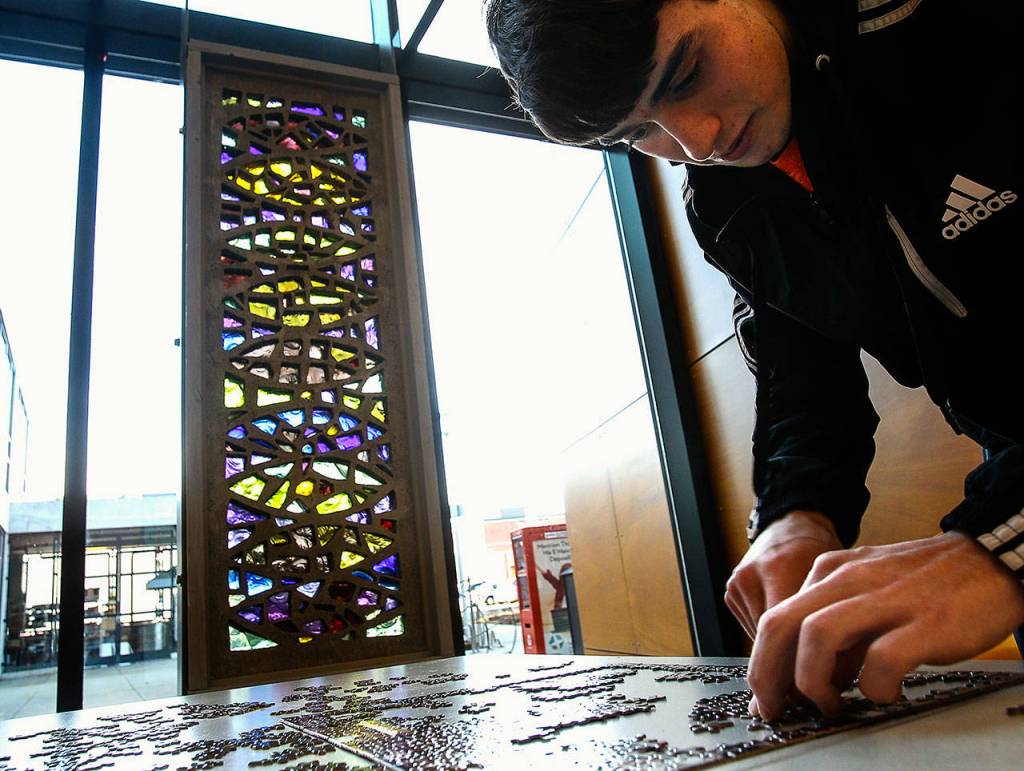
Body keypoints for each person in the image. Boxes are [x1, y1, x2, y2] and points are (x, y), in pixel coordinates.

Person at [485, 0, 1024, 721]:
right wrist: (796, 513)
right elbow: (803, 382)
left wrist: (998, 544)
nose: (696, 140)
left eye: (687, 70)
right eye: (636, 132)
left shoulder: (963, 29)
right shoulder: (729, 203)